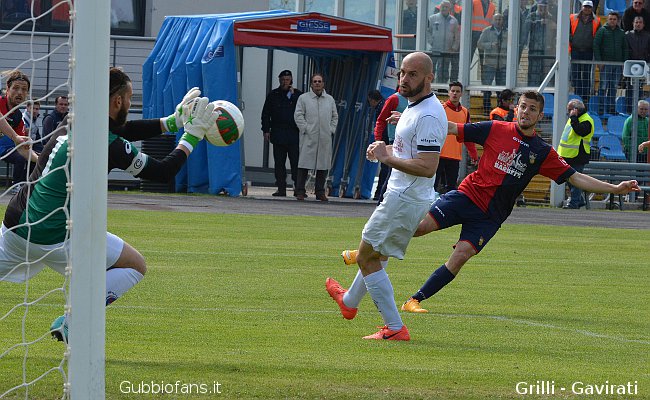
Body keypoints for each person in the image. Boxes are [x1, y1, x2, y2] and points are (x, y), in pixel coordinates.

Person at [0, 67, 217, 342]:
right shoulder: (107, 144)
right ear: (118, 102)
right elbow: (162, 171)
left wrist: (171, 122)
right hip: (53, 237)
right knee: (135, 266)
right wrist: (192, 136)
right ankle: (73, 320)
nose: (129, 103)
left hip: (15, 226)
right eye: (128, 98)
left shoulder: (74, 120)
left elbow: (122, 128)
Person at [396, 91, 639, 313]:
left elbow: (576, 177)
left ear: (539, 115)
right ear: (516, 109)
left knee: (461, 256)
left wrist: (615, 188)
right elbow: (451, 128)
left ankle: (414, 300)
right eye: (523, 107)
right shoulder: (495, 128)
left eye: (532, 109)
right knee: (419, 228)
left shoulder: (543, 152)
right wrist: (410, 121)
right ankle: (365, 250)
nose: (526, 112)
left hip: (491, 215)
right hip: (468, 196)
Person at [325, 52, 447, 341]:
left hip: (404, 197)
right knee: (377, 254)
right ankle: (350, 302)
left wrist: (386, 158)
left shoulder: (429, 114)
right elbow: (409, 153)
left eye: (413, 74)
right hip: (404, 194)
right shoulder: (414, 108)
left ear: (429, 78)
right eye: (402, 72)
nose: (404, 79)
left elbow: (428, 167)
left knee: (367, 256)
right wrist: (386, 149)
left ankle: (394, 327)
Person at [293, 73, 338, 202]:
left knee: (322, 166)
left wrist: (331, 129)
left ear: (323, 83)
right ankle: (300, 191)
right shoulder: (304, 98)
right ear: (311, 84)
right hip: (309, 136)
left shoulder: (329, 99)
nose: (317, 83)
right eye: (315, 81)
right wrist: (306, 129)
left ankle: (320, 192)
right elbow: (298, 115)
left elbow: (335, 116)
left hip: (324, 137)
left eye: (319, 81)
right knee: (304, 164)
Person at [261, 70, 303, 197]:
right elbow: (266, 114)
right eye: (283, 79)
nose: (285, 82)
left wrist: (293, 95)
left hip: (293, 134)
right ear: (279, 80)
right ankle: (281, 188)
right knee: (279, 163)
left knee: (296, 163)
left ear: (291, 80)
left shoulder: (298, 95)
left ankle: (298, 188)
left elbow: (304, 110)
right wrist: (266, 130)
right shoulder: (273, 95)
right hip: (278, 133)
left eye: (288, 79)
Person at [436, 81, 478, 196]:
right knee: (433, 186)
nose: (455, 93)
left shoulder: (465, 112)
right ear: (449, 93)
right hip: (438, 154)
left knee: (451, 188)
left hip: (454, 156)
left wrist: (473, 153)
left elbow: (467, 134)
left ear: (461, 94)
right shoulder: (441, 108)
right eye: (453, 91)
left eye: (457, 91)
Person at [0, 70, 39, 190]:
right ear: (7, 88)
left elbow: (22, 149)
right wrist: (15, 137)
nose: (20, 92)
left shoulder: (17, 118)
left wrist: (42, 160)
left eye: (24, 89)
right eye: (16, 88)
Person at [372, 86, 409, 202]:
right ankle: (381, 200)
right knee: (389, 172)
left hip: (410, 142)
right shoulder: (394, 99)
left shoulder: (416, 99)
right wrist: (378, 140)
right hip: (394, 141)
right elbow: (381, 120)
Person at [558, 99, 594, 209]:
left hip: (578, 155)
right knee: (568, 179)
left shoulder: (586, 120)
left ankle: (574, 203)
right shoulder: (573, 119)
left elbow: (580, 131)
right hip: (567, 154)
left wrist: (573, 118)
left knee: (576, 180)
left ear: (575, 110)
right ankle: (579, 200)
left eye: (569, 110)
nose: (568, 112)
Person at [594, 12, 628, 116]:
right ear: (607, 20)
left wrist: (624, 63)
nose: (612, 21)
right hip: (605, 64)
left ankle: (611, 109)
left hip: (617, 65)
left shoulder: (621, 33)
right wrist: (599, 61)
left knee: (613, 87)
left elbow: (625, 48)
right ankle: (600, 109)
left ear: (617, 21)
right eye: (610, 19)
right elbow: (596, 45)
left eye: (614, 19)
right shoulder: (602, 31)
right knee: (603, 87)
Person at [569, 1, 600, 104]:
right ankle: (577, 96)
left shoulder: (597, 20)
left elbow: (598, 37)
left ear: (592, 8)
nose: (587, 9)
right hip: (575, 50)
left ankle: (585, 97)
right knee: (576, 74)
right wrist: (571, 41)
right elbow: (567, 31)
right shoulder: (572, 18)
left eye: (589, 7)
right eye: (585, 7)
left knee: (586, 75)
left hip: (588, 51)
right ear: (582, 7)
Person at [477, 13, 508, 115]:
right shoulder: (486, 31)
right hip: (489, 63)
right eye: (496, 19)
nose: (498, 21)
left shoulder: (507, 32)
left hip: (502, 63)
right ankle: (486, 108)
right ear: (492, 21)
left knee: (501, 89)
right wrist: (490, 45)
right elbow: (480, 44)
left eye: (500, 19)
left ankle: (500, 110)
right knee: (487, 87)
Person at [523, 0, 557, 86]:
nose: (543, 9)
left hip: (547, 51)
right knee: (533, 73)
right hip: (535, 50)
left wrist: (551, 24)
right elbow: (526, 27)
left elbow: (557, 30)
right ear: (538, 6)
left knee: (545, 73)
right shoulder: (532, 15)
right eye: (541, 6)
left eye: (545, 7)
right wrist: (538, 22)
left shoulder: (551, 17)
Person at [427, 0, 460, 84]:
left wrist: (454, 48)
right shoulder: (432, 18)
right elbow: (427, 32)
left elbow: (457, 36)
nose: (444, 8)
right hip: (435, 49)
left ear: (450, 8)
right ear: (439, 7)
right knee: (432, 68)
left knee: (444, 69)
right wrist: (432, 42)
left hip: (447, 50)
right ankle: (431, 86)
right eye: (442, 6)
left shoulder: (454, 20)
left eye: (446, 7)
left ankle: (442, 87)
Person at [625, 16, 650, 113]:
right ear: (633, 23)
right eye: (636, 22)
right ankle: (629, 110)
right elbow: (625, 50)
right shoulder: (627, 35)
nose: (638, 24)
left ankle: (638, 111)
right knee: (629, 88)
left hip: (643, 66)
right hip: (630, 66)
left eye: (640, 22)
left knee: (640, 89)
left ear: (643, 24)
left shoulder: (648, 36)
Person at [366, 90, 387, 201]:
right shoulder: (384, 104)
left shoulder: (380, 107)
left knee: (384, 168)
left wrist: (377, 140)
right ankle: (379, 193)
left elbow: (380, 124)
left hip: (384, 139)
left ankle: (379, 193)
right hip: (386, 139)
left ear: (372, 100)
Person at [471, 0, 496, 66]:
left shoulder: (492, 6)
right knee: (468, 57)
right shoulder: (473, 3)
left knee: (484, 61)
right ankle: (464, 74)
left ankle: (484, 76)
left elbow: (492, 21)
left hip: (486, 35)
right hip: (473, 33)